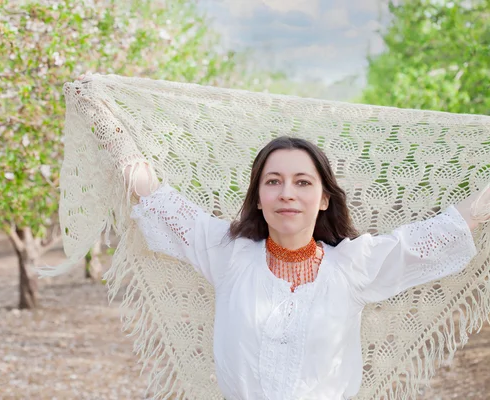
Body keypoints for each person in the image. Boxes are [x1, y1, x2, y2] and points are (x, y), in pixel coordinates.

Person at [76, 74, 489, 400]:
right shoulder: (227, 253)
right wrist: (99, 113)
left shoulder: (354, 265)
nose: (287, 193)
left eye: (302, 182)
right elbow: (151, 191)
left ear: (324, 198)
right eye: (273, 181)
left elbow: (452, 225)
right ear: (258, 196)